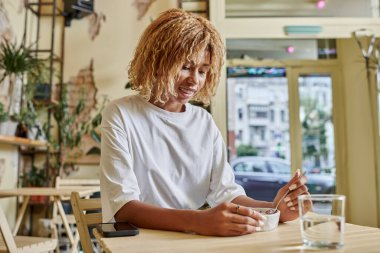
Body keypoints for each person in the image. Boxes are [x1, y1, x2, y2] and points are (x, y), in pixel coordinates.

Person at [100, 8, 309, 236]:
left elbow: (226, 193)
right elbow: (124, 207)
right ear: (158, 62)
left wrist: (273, 209)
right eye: (186, 67)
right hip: (141, 243)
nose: (195, 80)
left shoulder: (203, 122)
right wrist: (199, 221)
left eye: (203, 71)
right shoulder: (121, 113)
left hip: (192, 242)